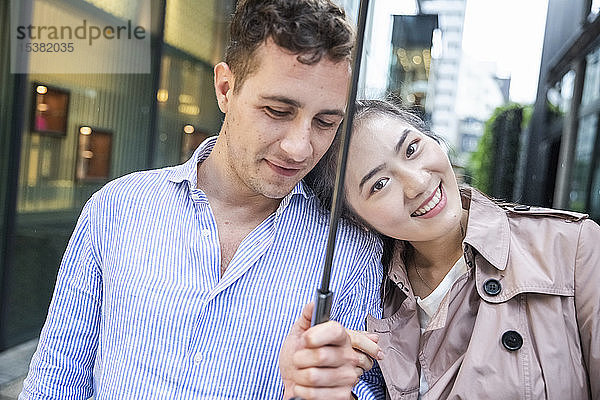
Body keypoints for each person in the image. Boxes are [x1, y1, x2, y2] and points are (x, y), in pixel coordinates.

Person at [19, 2, 385, 398]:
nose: (299, 148)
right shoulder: (117, 208)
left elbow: (364, 388)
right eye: (277, 111)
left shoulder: (350, 249)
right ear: (225, 89)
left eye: (326, 122)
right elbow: (54, 379)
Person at [300, 99, 600, 399]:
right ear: (357, 220)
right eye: (379, 184)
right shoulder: (368, 295)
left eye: (411, 149)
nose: (417, 183)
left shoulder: (570, 246)